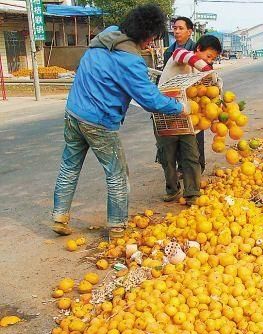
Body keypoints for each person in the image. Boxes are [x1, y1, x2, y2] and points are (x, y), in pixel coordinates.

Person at [51, 4, 184, 239]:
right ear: (145, 33)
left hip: (73, 112)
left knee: (69, 165)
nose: (151, 43)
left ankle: (59, 216)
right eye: (151, 38)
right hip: (99, 121)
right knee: (117, 174)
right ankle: (117, 227)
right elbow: (150, 100)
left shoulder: (107, 36)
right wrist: (180, 107)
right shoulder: (129, 61)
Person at [156, 35, 222, 205]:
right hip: (165, 114)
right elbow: (182, 55)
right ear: (198, 48)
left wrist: (215, 81)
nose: (209, 61)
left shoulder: (198, 71)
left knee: (191, 154)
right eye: (208, 56)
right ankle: (172, 190)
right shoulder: (180, 56)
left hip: (186, 116)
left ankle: (192, 193)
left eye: (213, 59)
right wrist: (206, 68)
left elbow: (210, 87)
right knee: (167, 156)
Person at [160, 17, 206, 174]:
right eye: (175, 28)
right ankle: (182, 169)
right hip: (175, 99)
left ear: (190, 31)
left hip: (193, 98)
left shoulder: (196, 49)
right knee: (177, 133)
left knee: (195, 135)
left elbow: (204, 70)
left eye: (180, 28)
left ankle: (198, 168)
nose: (176, 31)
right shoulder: (169, 51)